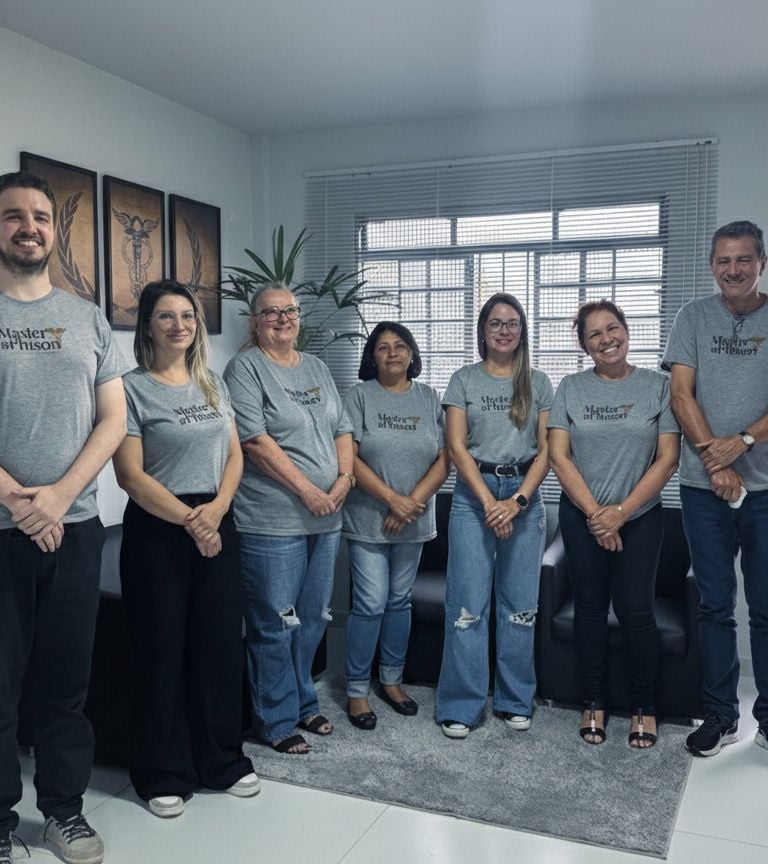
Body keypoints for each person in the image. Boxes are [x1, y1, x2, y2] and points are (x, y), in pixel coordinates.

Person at [0, 172, 128, 864]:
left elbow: (113, 419)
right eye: (14, 216)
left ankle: (62, 812)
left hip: (75, 529)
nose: (30, 227)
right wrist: (23, 502)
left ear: (55, 230)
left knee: (64, 684)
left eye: (42, 216)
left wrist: (58, 498)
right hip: (2, 531)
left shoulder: (86, 316)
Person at [112, 280, 259, 818]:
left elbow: (235, 453)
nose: (179, 326)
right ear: (147, 325)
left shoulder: (211, 381)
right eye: (166, 316)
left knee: (218, 647)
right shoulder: (130, 388)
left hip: (219, 519)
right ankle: (161, 772)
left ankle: (221, 761)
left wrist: (218, 508)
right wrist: (193, 521)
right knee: (162, 651)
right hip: (159, 529)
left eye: (188, 317)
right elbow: (130, 475)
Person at [224, 283, 354, 754]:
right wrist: (308, 492)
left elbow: (342, 428)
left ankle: (303, 701)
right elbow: (254, 441)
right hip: (272, 520)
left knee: (314, 617)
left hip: (327, 516)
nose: (283, 319)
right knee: (276, 622)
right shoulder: (244, 369)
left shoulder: (316, 366)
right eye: (271, 312)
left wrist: (342, 481)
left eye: (290, 311)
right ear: (255, 321)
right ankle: (275, 720)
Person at [548, 301, 679, 748]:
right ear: (584, 345)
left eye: (613, 328)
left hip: (640, 519)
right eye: (595, 334)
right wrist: (596, 515)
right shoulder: (569, 387)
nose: (606, 339)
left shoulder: (658, 387)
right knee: (588, 611)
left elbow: (668, 459)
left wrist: (620, 514)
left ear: (627, 330)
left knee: (635, 612)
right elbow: (559, 456)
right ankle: (593, 701)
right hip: (581, 515)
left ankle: (644, 706)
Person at [663, 220, 768, 757]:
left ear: (761, 264)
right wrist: (714, 458)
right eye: (724, 261)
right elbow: (681, 395)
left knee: (767, 607)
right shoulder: (692, 317)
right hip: (704, 490)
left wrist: (744, 440)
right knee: (714, 605)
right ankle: (721, 715)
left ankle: (767, 720)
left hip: (767, 491)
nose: (733, 270)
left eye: (743, 260)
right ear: (712, 266)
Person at [435, 292, 552, 739]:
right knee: (467, 607)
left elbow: (547, 451)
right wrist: (488, 502)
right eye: (496, 323)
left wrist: (516, 502)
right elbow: (456, 448)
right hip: (472, 497)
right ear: (482, 331)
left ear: (522, 332)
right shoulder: (463, 379)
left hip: (524, 497)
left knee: (520, 608)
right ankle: (461, 706)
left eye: (513, 323)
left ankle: (514, 700)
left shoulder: (538, 382)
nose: (504, 330)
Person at [343, 323, 449, 729]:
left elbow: (445, 458)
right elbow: (348, 458)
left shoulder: (429, 398)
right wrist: (393, 500)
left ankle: (391, 680)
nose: (391, 353)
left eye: (400, 346)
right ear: (371, 356)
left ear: (411, 354)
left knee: (399, 600)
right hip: (368, 518)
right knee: (371, 601)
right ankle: (356, 690)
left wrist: (412, 503)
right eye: (382, 347)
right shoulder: (358, 397)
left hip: (415, 519)